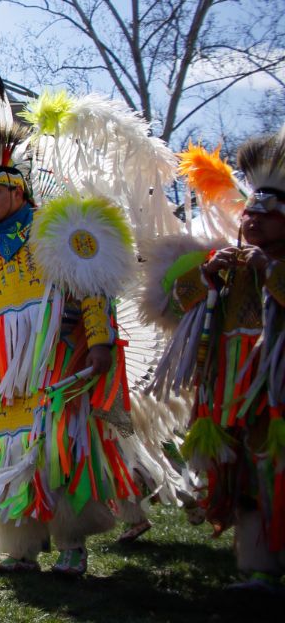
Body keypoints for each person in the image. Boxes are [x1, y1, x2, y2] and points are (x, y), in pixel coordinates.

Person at [0, 66, 144, 577]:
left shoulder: (55, 226)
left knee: (57, 444)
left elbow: (92, 289)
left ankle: (71, 547)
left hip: (53, 357)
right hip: (3, 368)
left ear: (17, 189)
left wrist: (99, 344)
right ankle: (18, 550)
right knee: (9, 447)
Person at [142, 131, 285, 593]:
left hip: (274, 392)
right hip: (229, 394)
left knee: (275, 471)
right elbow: (177, 312)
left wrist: (270, 271)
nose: (253, 223)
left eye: (266, 216)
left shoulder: (267, 266)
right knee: (244, 474)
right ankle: (259, 567)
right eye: (251, 215)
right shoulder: (231, 265)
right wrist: (206, 279)